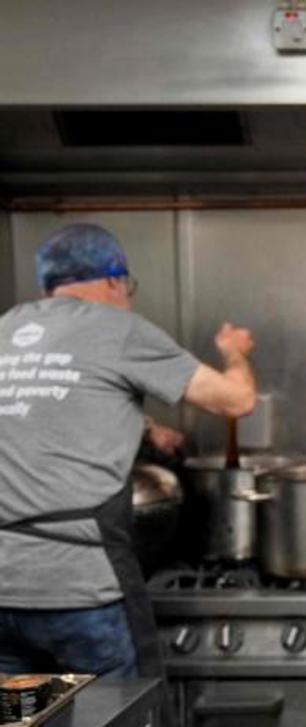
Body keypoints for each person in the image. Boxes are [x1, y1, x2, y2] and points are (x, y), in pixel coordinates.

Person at [0, 223, 256, 681]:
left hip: (4, 593)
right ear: (115, 280)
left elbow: (48, 405)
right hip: (79, 586)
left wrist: (147, 427)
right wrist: (234, 354)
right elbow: (236, 402)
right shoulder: (118, 330)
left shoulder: (7, 327)